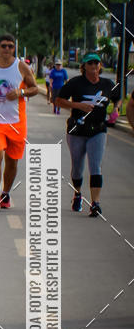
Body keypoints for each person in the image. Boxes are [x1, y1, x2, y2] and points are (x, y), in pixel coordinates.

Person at [56, 52, 120, 217]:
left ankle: (95, 203)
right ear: (83, 66)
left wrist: (116, 109)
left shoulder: (107, 84)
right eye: (90, 63)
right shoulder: (75, 83)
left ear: (100, 66)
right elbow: (59, 100)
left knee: (95, 166)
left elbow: (117, 97)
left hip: (98, 130)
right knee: (77, 167)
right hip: (77, 129)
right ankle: (77, 194)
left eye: (96, 63)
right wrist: (78, 105)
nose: (93, 66)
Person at [0, 33, 38, 210]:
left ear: (14, 48)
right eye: (3, 45)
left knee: (12, 161)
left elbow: (34, 88)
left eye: (10, 46)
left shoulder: (21, 67)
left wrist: (20, 93)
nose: (7, 49)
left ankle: (6, 194)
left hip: (16, 122)